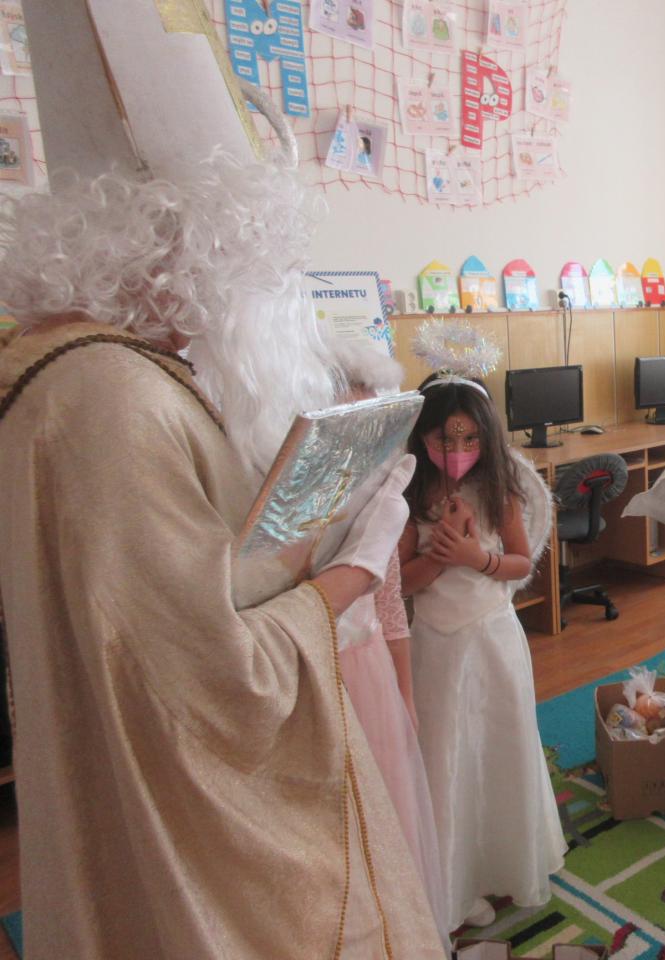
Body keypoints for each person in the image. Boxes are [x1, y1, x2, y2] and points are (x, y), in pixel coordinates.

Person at [0, 152, 447, 957]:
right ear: (181, 261)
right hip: (191, 838)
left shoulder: (52, 366)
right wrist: (357, 567)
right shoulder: (114, 394)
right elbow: (222, 681)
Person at [398, 358, 566, 932]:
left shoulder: (498, 490)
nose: (458, 450)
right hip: (438, 647)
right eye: (444, 439)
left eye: (469, 438)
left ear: (486, 437)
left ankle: (506, 861)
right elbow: (400, 584)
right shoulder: (411, 495)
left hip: (494, 638)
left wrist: (477, 557)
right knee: (449, 752)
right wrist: (440, 556)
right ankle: (456, 878)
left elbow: (519, 561)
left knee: (501, 743)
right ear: (423, 436)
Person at [328, 337, 451, 950]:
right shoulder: (299, 504)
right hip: (322, 674)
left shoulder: (383, 494)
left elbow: (390, 608)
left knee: (389, 807)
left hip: (371, 672)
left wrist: (406, 695)